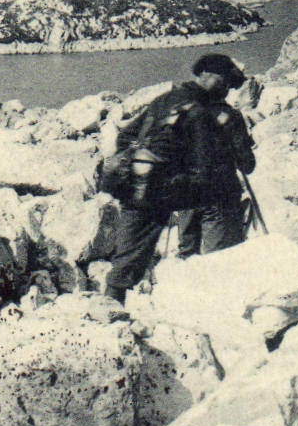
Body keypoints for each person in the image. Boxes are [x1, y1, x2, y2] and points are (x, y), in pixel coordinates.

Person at [103, 53, 255, 302]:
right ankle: (215, 303)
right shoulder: (207, 113)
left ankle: (108, 304)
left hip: (139, 186)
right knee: (221, 258)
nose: (227, 91)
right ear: (215, 78)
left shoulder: (163, 100)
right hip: (196, 194)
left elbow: (126, 135)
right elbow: (231, 165)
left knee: (128, 258)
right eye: (227, 84)